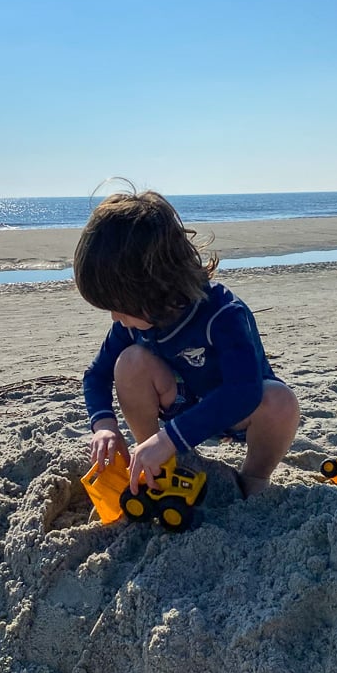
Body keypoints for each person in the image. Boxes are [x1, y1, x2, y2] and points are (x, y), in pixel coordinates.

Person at [73, 189, 300, 498]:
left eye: (120, 306)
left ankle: (254, 478)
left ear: (156, 285)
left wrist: (170, 438)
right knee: (129, 362)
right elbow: (96, 375)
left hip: (236, 411)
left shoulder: (222, 314)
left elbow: (244, 391)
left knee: (281, 401)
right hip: (179, 403)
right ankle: (159, 460)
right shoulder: (133, 322)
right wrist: (104, 426)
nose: (115, 317)